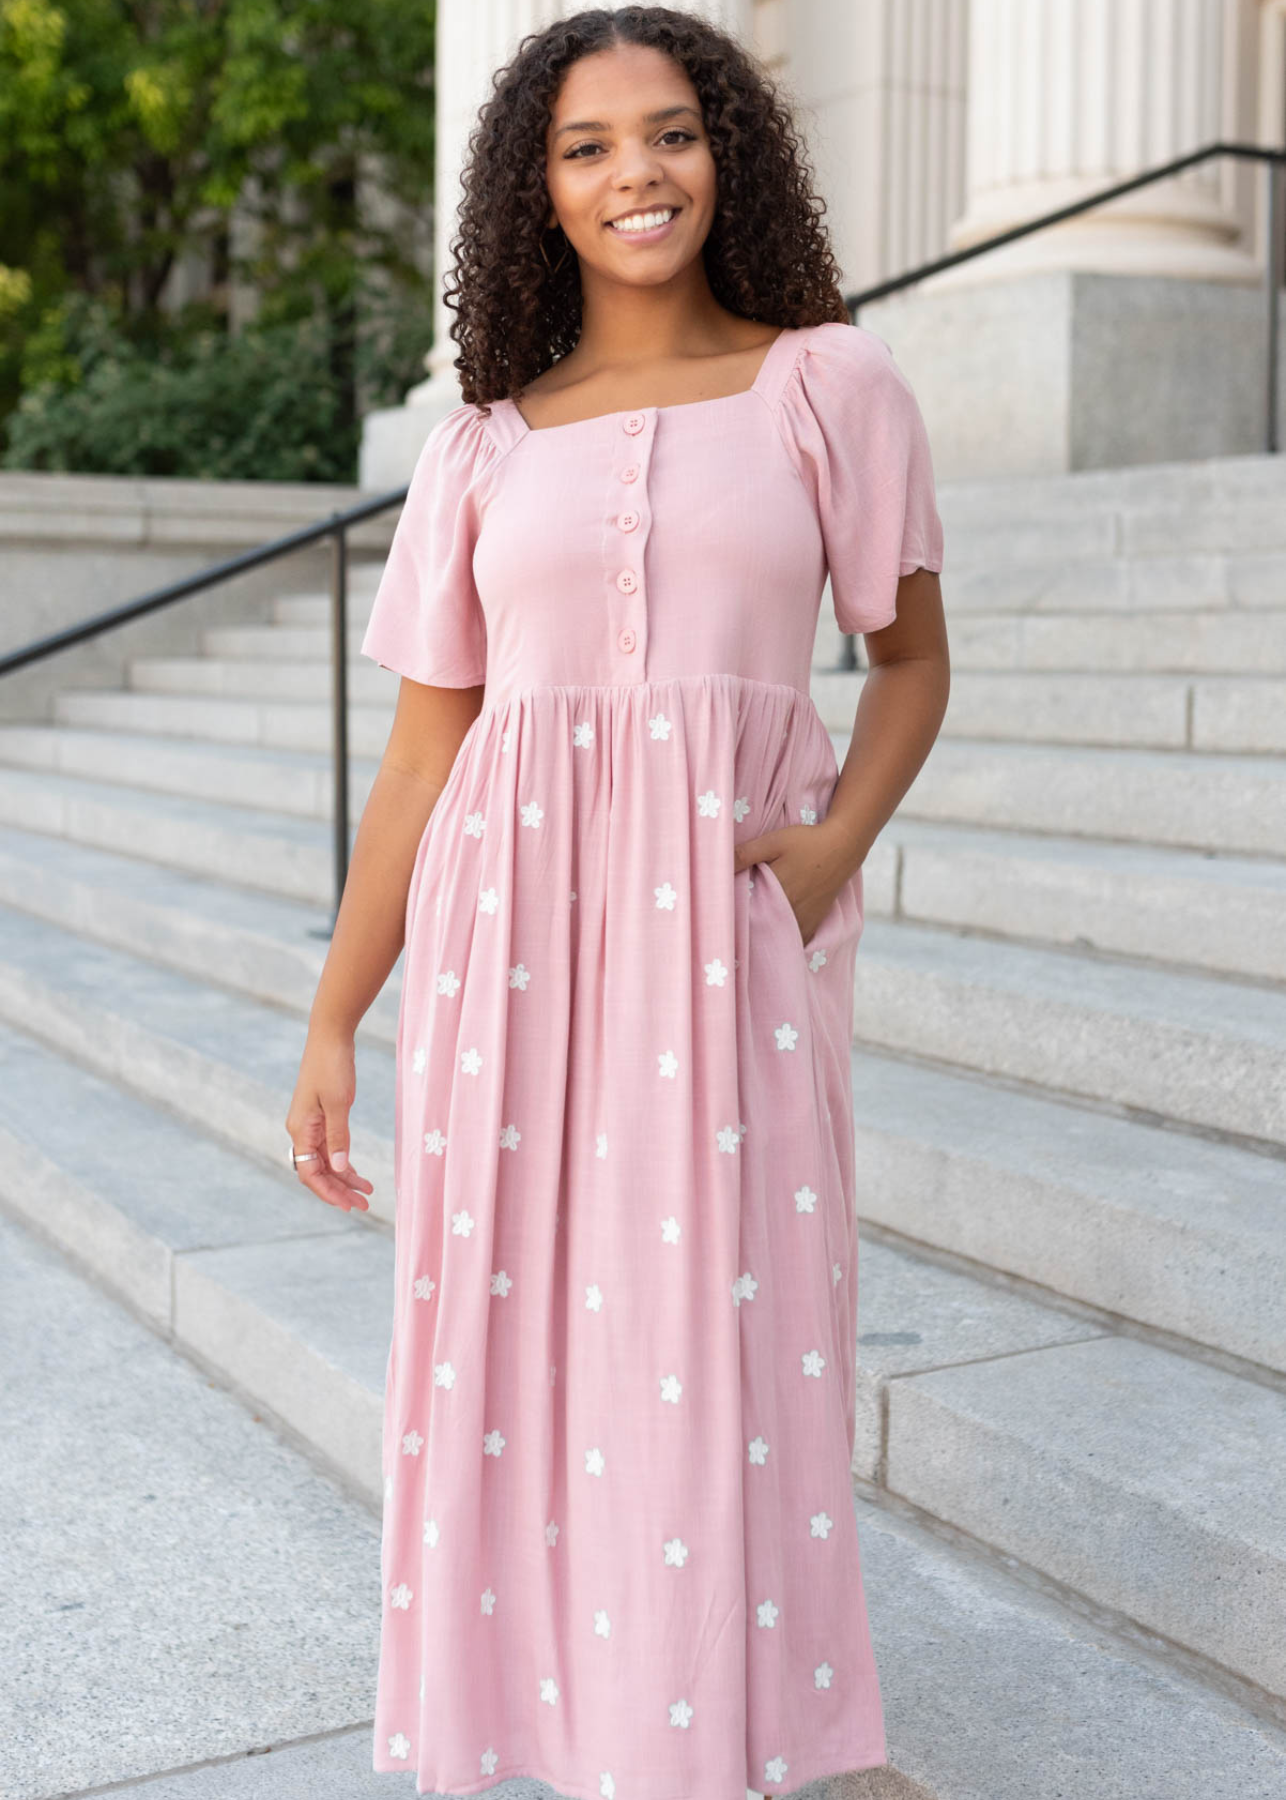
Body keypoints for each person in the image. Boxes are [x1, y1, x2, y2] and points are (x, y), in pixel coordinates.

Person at [285, 7, 949, 1798]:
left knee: (728, 1329)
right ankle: (553, 1731)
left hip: (725, 940)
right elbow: (423, 764)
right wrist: (341, 1013)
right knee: (515, 1335)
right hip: (512, 948)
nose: (633, 173)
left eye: (667, 132)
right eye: (585, 147)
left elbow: (908, 667)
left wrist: (825, 855)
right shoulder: (482, 447)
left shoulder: (830, 385)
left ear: (725, 151)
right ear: (538, 192)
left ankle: (728, 1736)